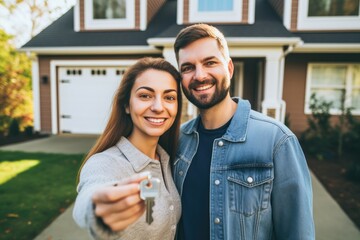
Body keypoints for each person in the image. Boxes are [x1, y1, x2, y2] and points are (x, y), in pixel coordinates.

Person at [173, 23, 315, 239]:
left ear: (229, 69)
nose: (199, 75)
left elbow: (298, 233)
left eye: (209, 62)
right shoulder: (178, 141)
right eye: (187, 67)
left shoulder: (276, 141)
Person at [73, 57, 182, 240]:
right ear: (126, 105)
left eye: (169, 97)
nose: (158, 107)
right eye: (145, 96)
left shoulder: (168, 159)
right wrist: (97, 208)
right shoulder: (106, 162)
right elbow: (91, 193)